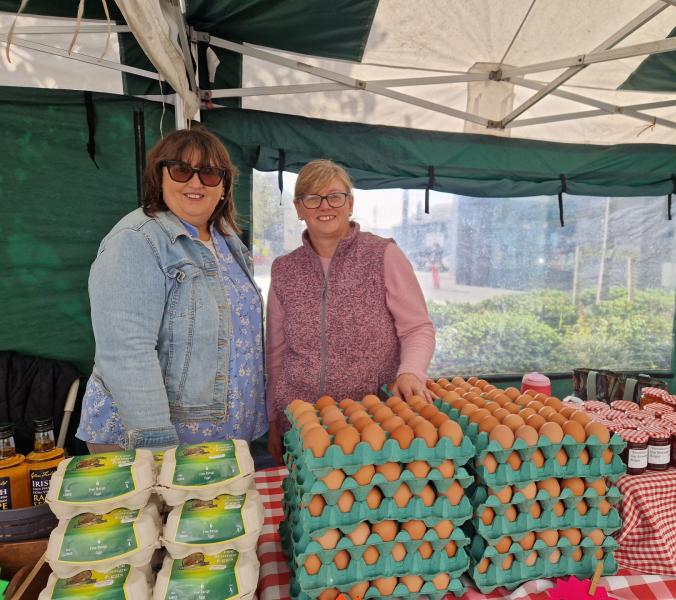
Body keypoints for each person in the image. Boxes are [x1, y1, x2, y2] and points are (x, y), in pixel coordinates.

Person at [76, 127, 266, 452]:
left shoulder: (227, 239)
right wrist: (157, 447)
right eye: (181, 170)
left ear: (223, 186)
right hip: (154, 443)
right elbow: (127, 352)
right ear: (159, 177)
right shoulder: (136, 240)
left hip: (223, 437)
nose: (196, 182)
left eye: (209, 173)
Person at [266, 159, 435, 463]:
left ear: (350, 203)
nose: (324, 205)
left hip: (374, 424)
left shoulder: (383, 255)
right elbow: (276, 350)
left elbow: (417, 328)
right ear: (299, 208)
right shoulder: (284, 270)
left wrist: (411, 372)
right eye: (312, 198)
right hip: (302, 426)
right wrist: (274, 417)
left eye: (334, 196)